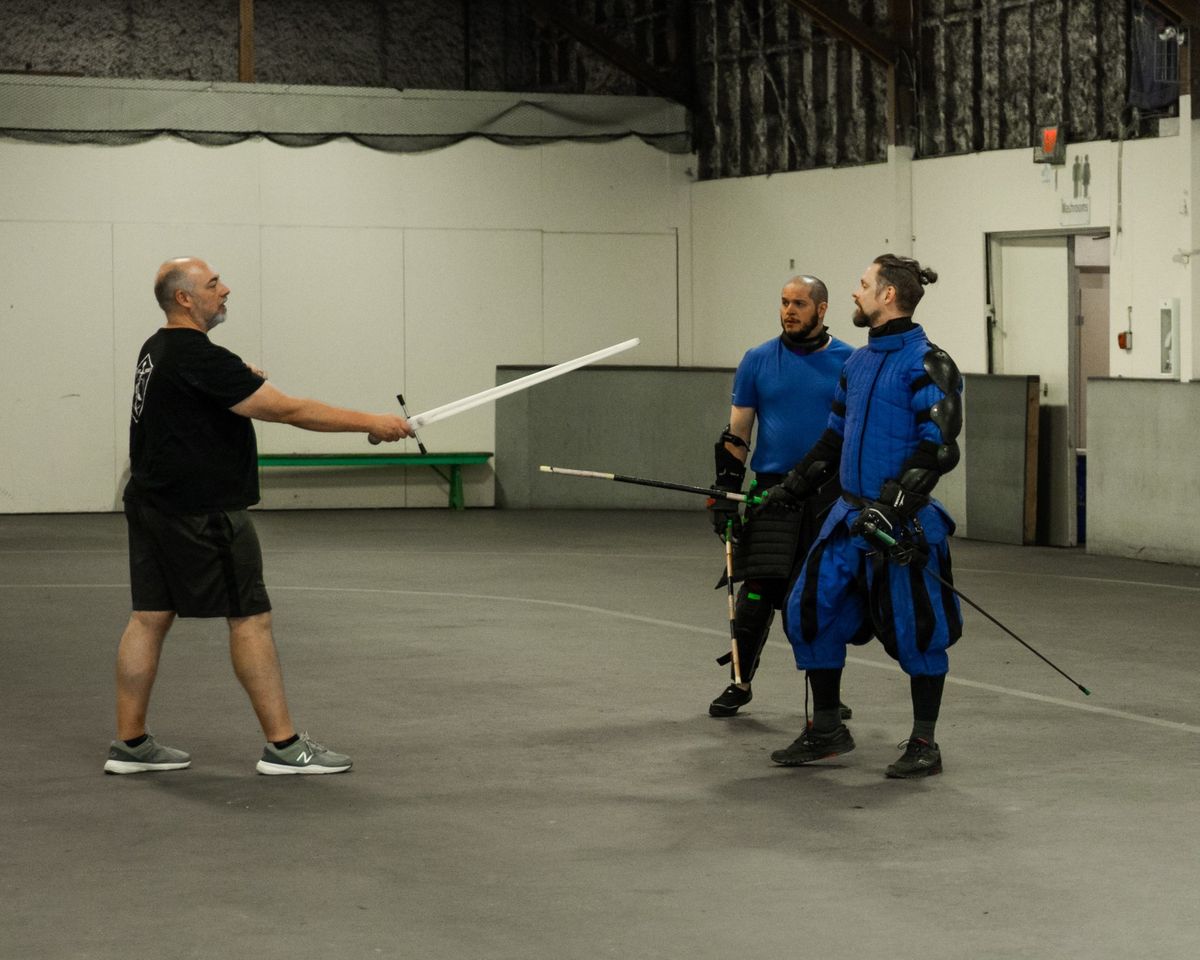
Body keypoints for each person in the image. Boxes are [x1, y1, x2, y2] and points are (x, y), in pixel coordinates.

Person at [104, 257, 412, 776]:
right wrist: (373, 422)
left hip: (152, 504)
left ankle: (130, 745)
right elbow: (287, 410)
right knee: (250, 618)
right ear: (184, 299)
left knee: (149, 617)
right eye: (213, 284)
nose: (226, 290)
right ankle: (284, 747)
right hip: (202, 515)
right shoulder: (202, 358)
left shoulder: (157, 350)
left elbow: (187, 402)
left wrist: (235, 379)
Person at [764, 254, 963, 779]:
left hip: (901, 522)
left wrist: (891, 507)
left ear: (888, 295)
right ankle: (827, 728)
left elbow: (939, 450)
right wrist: (793, 486)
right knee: (809, 612)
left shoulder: (929, 363)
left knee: (919, 631)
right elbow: (834, 437)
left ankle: (924, 742)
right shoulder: (856, 362)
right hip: (846, 519)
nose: (856, 293)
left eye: (863, 285)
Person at [705, 275, 853, 717]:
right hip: (772, 493)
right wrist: (727, 494)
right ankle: (739, 681)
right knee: (754, 596)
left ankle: (827, 699)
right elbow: (737, 432)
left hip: (828, 494)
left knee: (816, 599)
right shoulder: (757, 360)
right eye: (785, 303)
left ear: (822, 309)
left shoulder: (849, 362)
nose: (790, 311)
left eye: (800, 303)